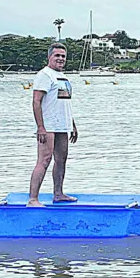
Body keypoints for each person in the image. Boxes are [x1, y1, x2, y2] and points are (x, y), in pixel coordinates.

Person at [28, 43, 78, 207]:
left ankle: (58, 194)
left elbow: (64, 103)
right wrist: (40, 127)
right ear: (49, 57)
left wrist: (72, 124)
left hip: (62, 126)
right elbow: (36, 101)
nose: (61, 59)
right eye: (57, 55)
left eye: (63, 56)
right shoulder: (45, 75)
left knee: (61, 159)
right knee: (44, 160)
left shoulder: (63, 76)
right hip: (48, 126)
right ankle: (33, 199)